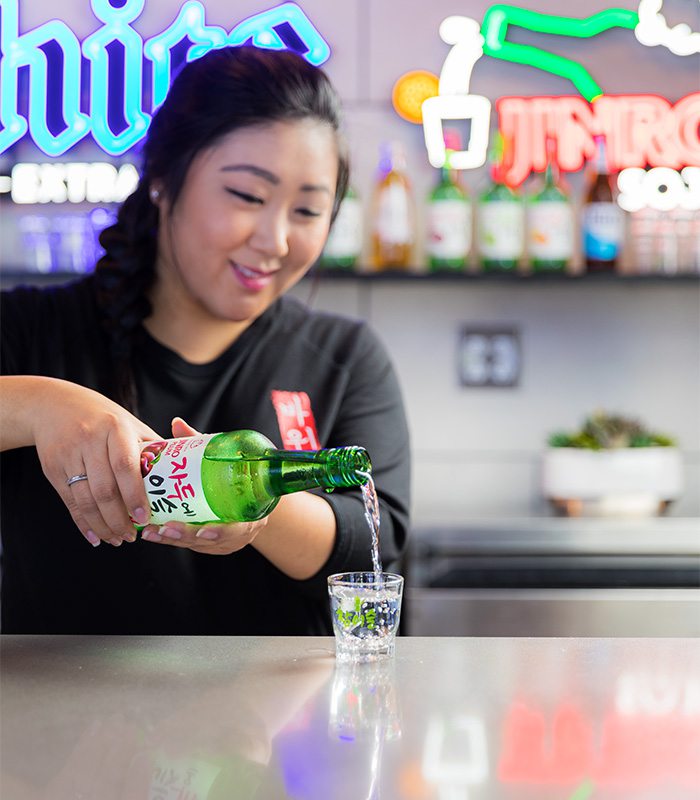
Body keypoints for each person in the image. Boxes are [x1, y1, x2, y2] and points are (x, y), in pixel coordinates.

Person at [0, 46, 411, 634]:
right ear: (164, 180)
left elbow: (374, 539)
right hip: (64, 720)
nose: (274, 239)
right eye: (246, 196)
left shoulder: (345, 357)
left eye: (307, 210)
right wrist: (41, 406)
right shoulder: (33, 330)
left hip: (280, 723)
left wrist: (258, 506)